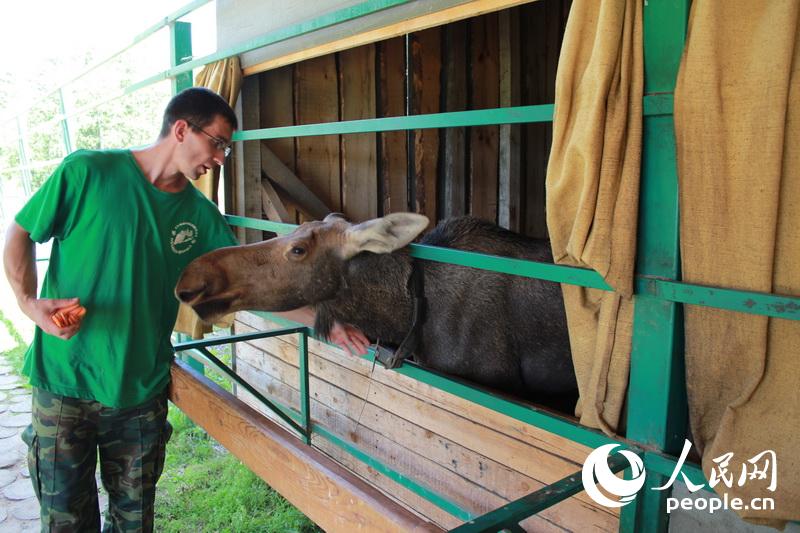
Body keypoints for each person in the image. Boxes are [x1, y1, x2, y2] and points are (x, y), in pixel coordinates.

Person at [3, 87, 241, 532]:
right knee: (64, 522)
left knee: (134, 523)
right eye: (219, 142)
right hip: (64, 384)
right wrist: (29, 304)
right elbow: (20, 233)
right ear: (182, 129)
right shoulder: (88, 172)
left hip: (138, 393)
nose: (222, 158)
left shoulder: (200, 215)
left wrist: (329, 322)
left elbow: (249, 278)